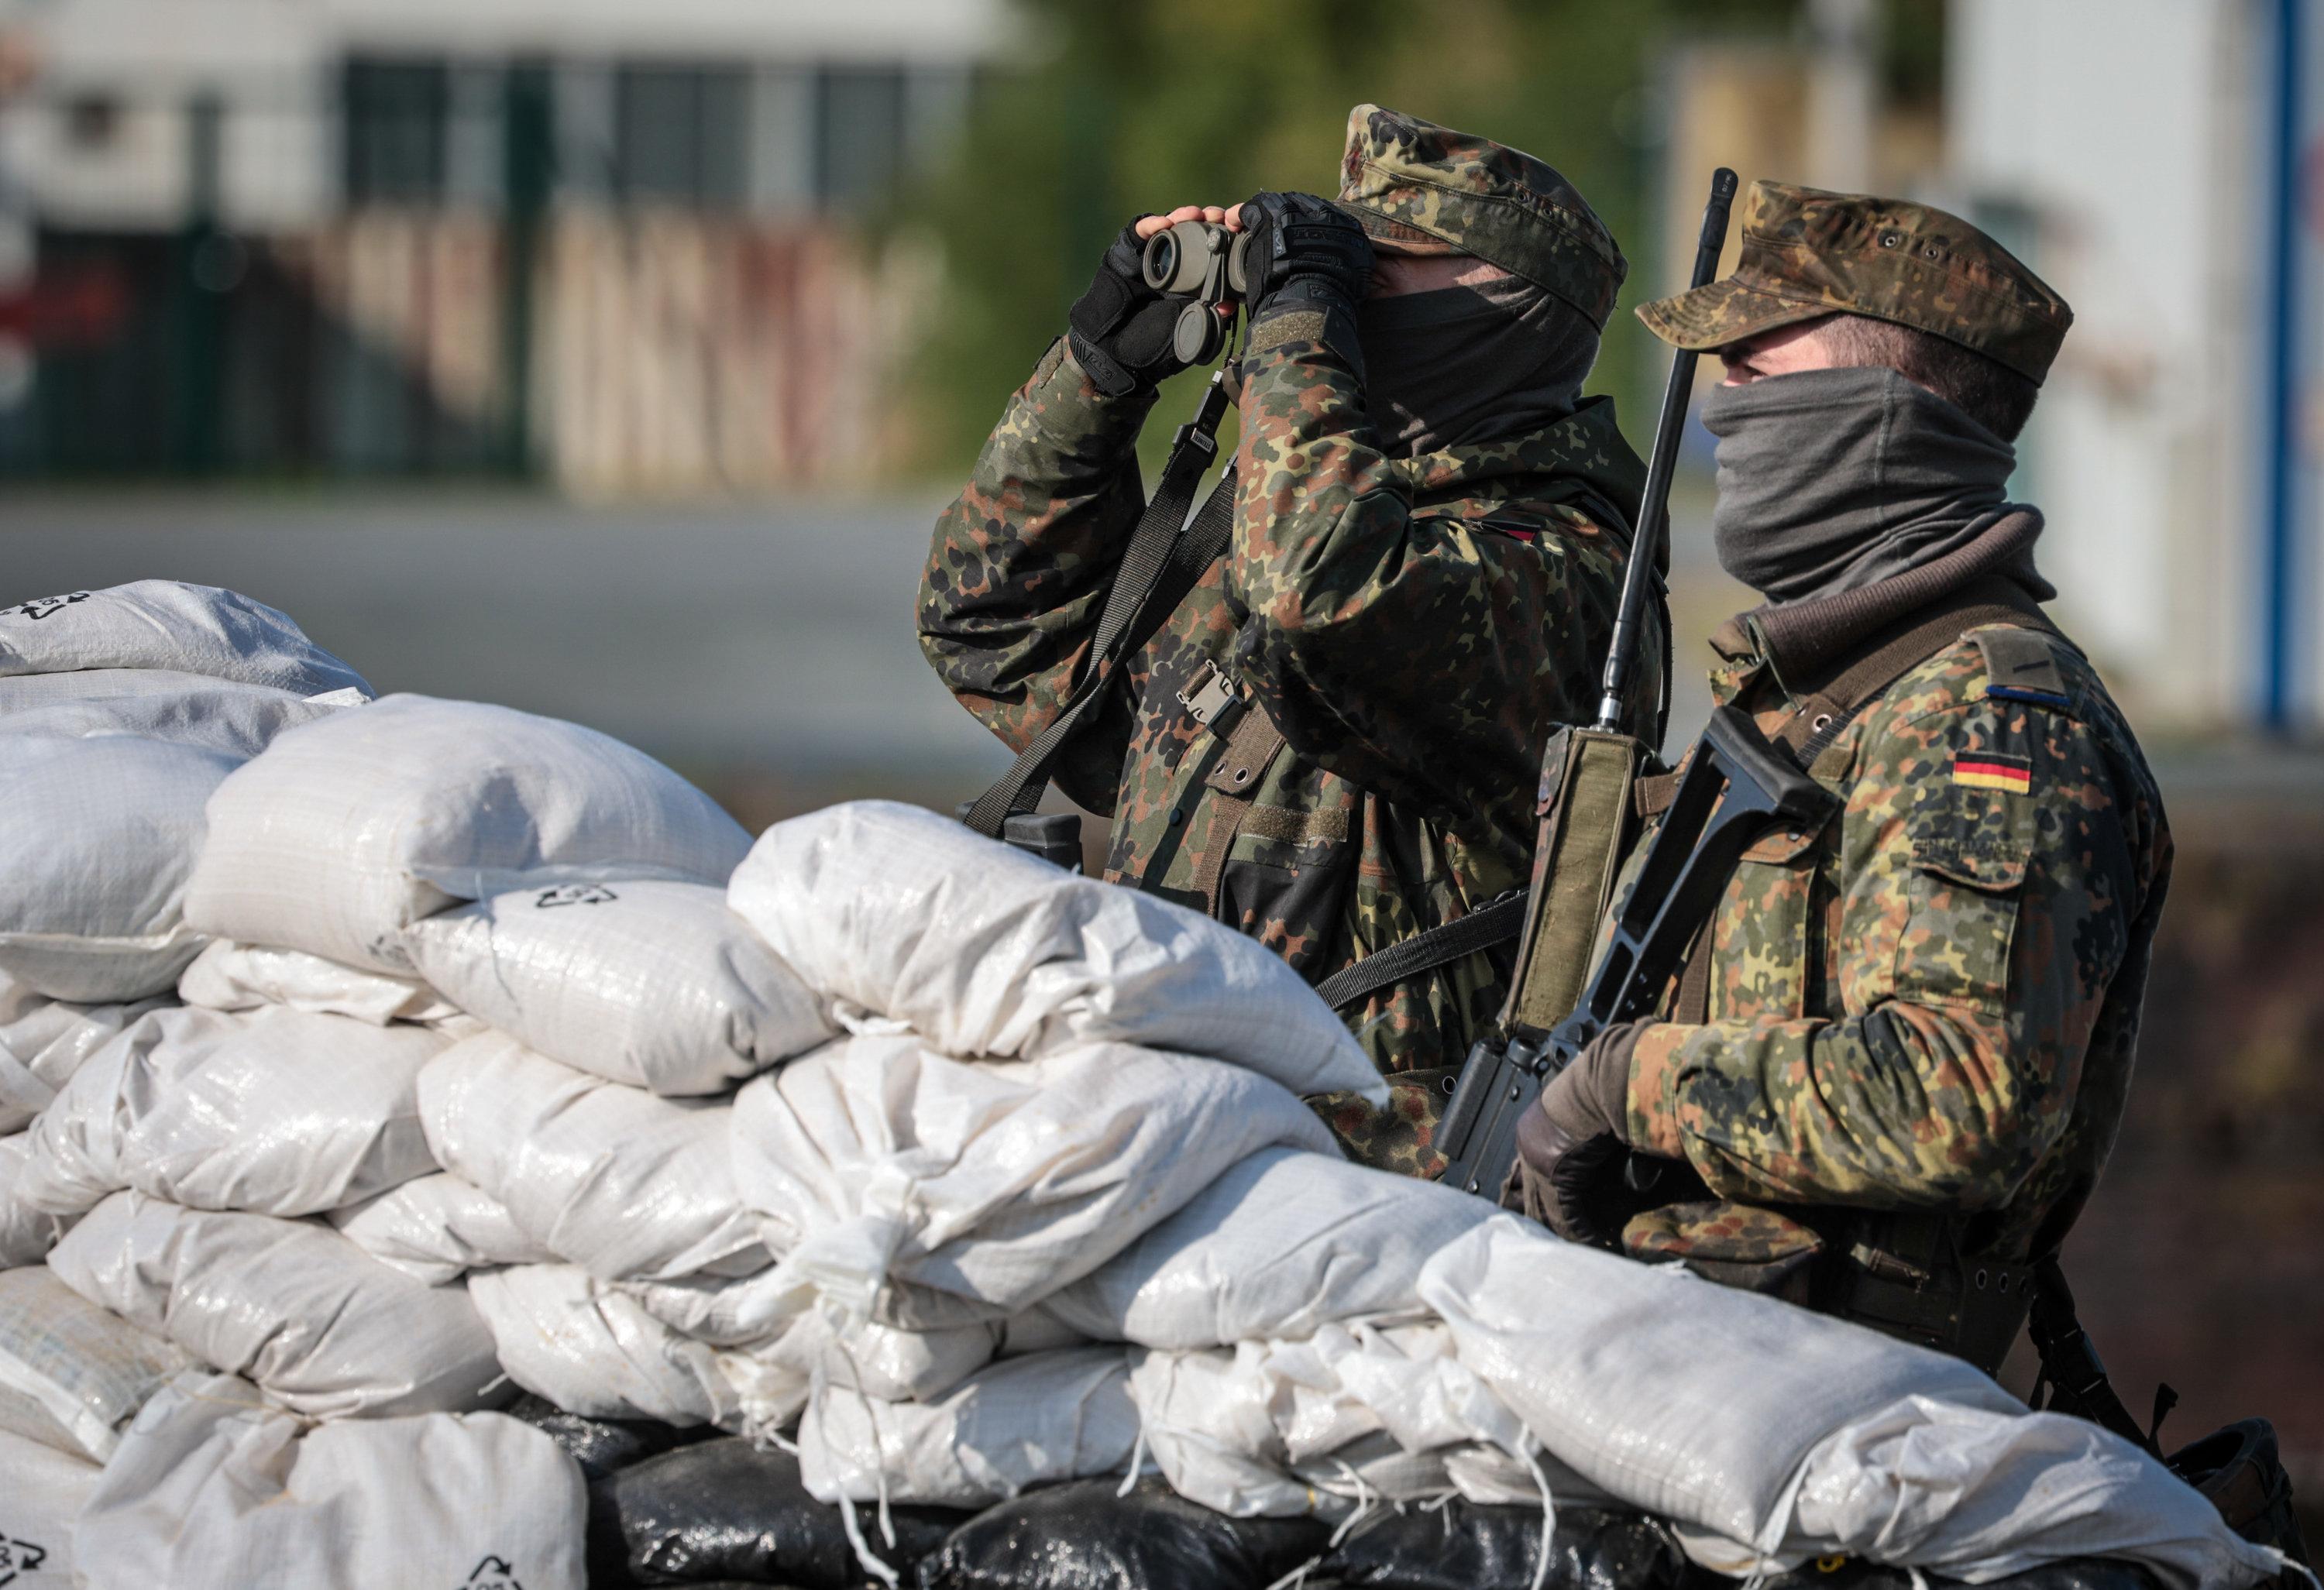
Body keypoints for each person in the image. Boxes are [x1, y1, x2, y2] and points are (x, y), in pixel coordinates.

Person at [918, 105, 1665, 1174]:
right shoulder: (1293, 513)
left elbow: (1324, 590)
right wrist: (1098, 376)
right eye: (1337, 269)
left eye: (1380, 270)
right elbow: (986, 625)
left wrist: (1299, 324)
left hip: (1371, 1181)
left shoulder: (1561, 569)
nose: (1346, 304)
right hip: (1175, 1131)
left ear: (1504, 311)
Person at [1514, 180, 2171, 1374]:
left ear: (1879, 412)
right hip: (1693, 1356)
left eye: (1756, 375)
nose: (1725, 410)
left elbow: (1957, 1096)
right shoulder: (1823, 693)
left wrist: (1627, 1084)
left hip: (1833, 1401)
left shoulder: (1990, 720)